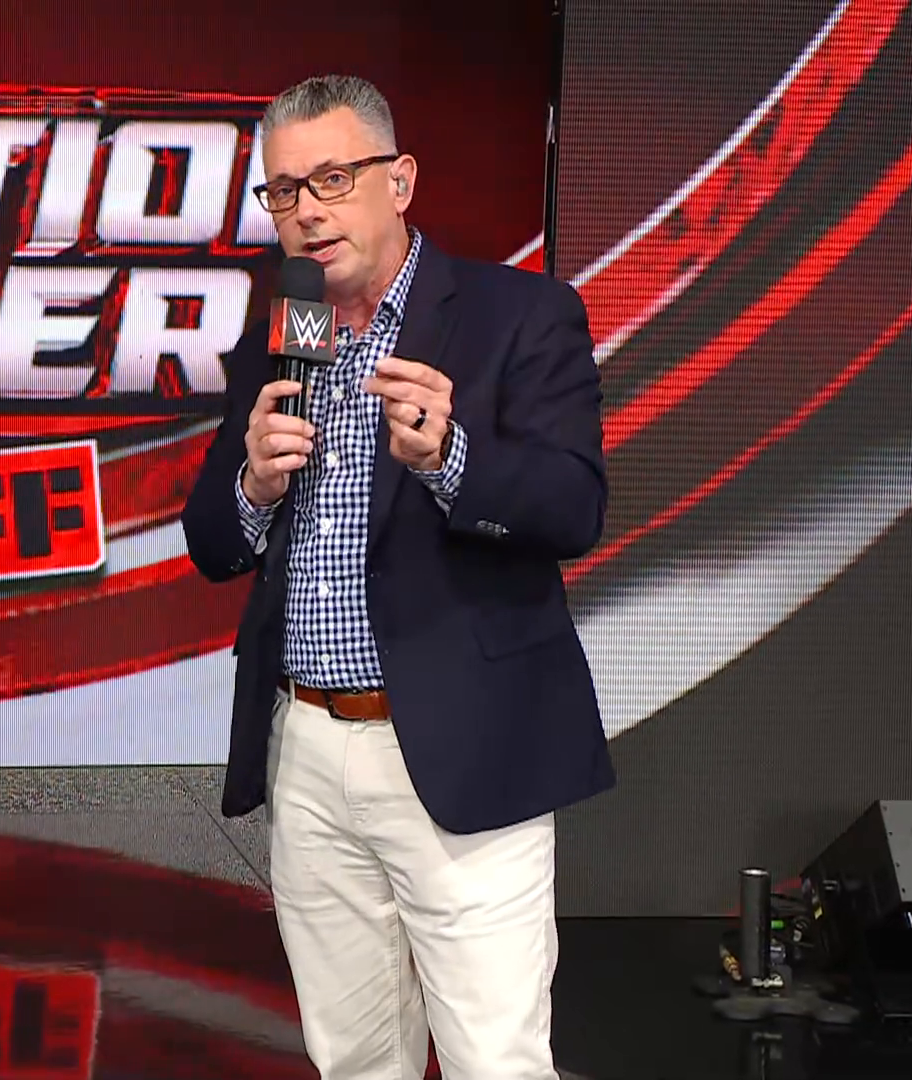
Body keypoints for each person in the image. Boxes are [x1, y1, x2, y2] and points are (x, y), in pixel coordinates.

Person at [182, 76, 615, 1080]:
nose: (307, 211)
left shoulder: (519, 314)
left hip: (461, 746)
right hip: (305, 746)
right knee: (354, 1058)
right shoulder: (282, 335)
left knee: (493, 1060)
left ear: (401, 179)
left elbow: (574, 508)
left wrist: (451, 458)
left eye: (333, 179)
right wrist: (252, 483)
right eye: (283, 191)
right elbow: (211, 541)